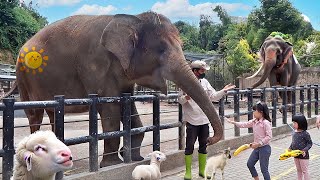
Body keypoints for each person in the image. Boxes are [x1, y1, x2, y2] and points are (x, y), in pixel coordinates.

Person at [178, 60, 235, 180]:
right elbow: (180, 100)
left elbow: (213, 96)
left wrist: (223, 91)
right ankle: (188, 172)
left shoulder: (204, 82)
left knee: (203, 146)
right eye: (202, 70)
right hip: (192, 122)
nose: (204, 72)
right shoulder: (184, 83)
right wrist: (186, 97)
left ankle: (201, 171)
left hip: (204, 120)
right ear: (194, 71)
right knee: (189, 147)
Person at [227, 101, 272, 180]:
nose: (253, 112)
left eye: (255, 110)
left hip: (265, 148)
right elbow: (244, 124)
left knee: (264, 170)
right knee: (250, 164)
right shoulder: (254, 121)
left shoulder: (266, 123)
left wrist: (258, 144)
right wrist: (233, 122)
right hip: (257, 148)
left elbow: (269, 136)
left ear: (261, 112)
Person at [289, 114, 312, 180]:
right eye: (293, 122)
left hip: (303, 156)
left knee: (305, 171)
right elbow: (293, 142)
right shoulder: (294, 132)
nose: (293, 124)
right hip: (295, 155)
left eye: (295, 123)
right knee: (298, 170)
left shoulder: (305, 134)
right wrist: (290, 148)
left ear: (301, 123)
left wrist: (304, 150)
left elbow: (310, 143)